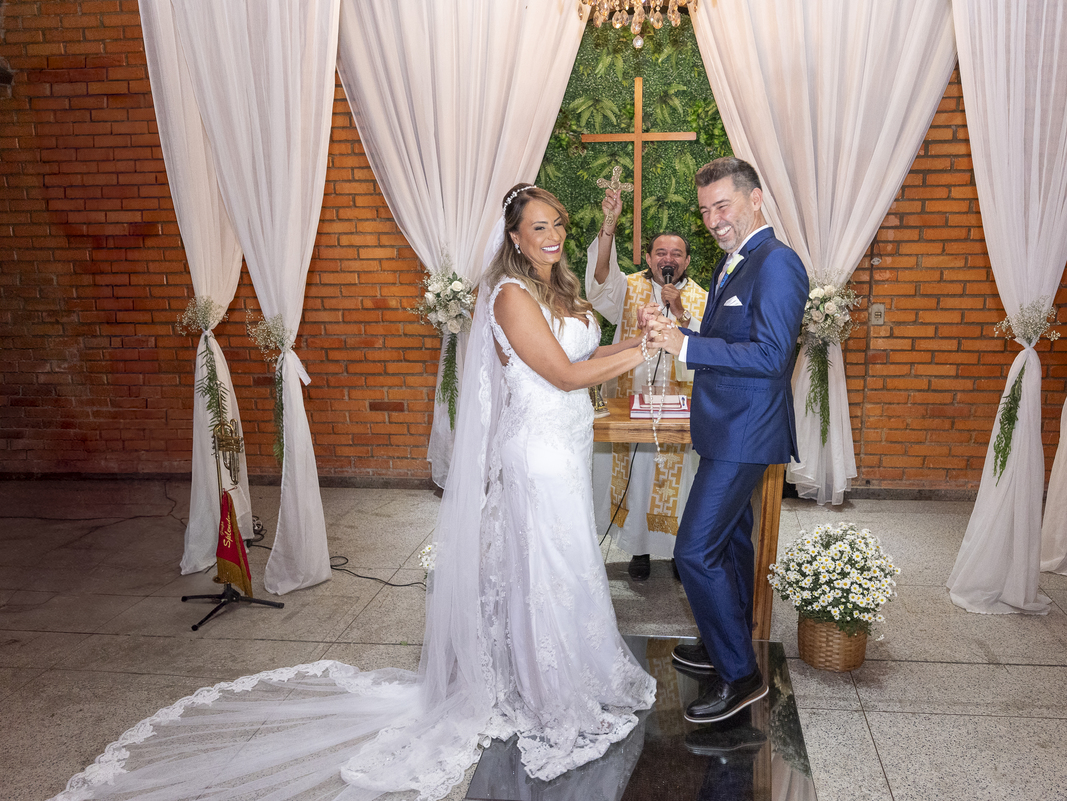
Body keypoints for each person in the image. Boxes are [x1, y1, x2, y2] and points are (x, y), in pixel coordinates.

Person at [52, 184, 658, 801]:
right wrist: (644, 347)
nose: (552, 236)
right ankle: (546, 688)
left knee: (569, 562)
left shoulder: (556, 286)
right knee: (545, 567)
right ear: (514, 237)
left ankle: (576, 670)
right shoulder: (508, 296)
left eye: (557, 224)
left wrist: (632, 342)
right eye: (538, 228)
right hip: (535, 456)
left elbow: (585, 350)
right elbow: (563, 374)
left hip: (566, 446)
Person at [648, 157, 808, 724]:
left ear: (756, 199)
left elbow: (769, 357)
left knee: (694, 550)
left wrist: (686, 349)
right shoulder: (730, 265)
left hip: (746, 432)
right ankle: (726, 644)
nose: (713, 219)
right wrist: (678, 334)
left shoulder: (777, 263)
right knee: (732, 545)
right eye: (706, 209)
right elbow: (725, 342)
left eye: (724, 205)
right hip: (722, 427)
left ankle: (741, 676)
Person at [586, 188, 708, 581]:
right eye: (660, 253)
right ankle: (637, 549)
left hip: (679, 407)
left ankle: (677, 551)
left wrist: (680, 312)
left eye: (675, 254)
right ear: (650, 258)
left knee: (681, 480)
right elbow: (600, 277)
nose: (667, 260)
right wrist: (609, 225)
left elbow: (710, 344)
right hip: (630, 400)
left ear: (687, 260)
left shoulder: (703, 297)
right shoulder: (629, 286)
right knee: (636, 475)